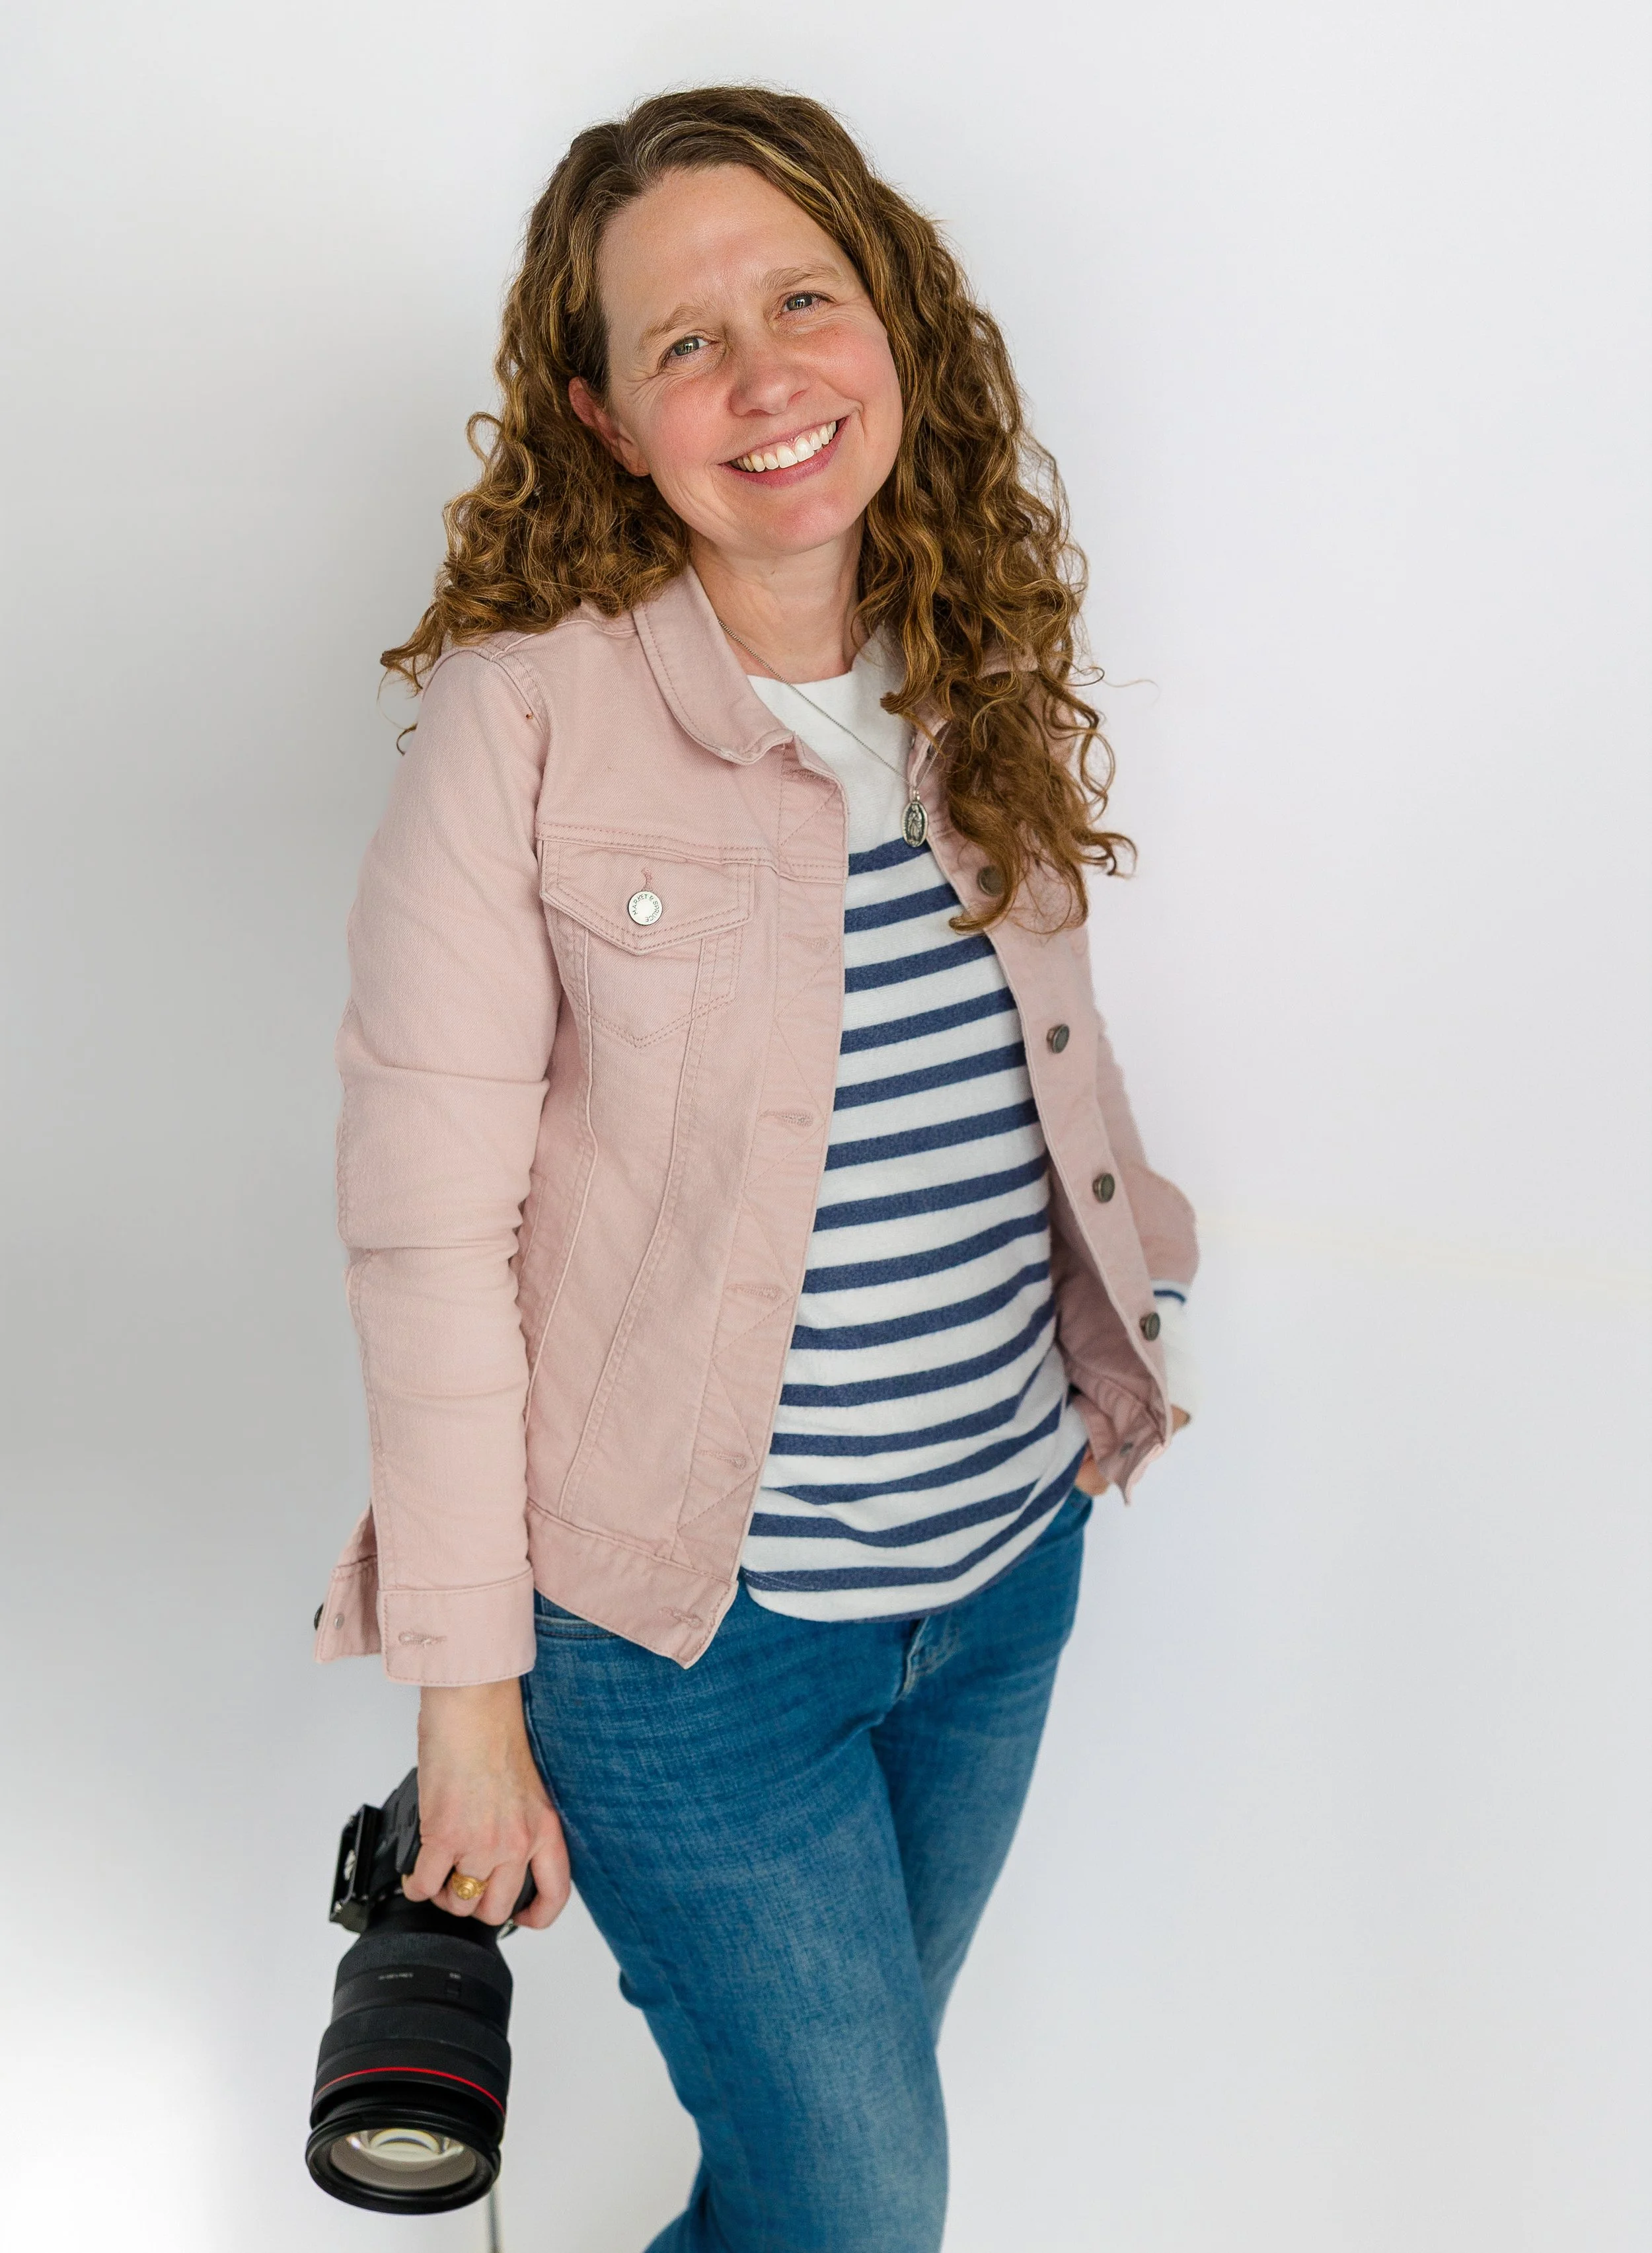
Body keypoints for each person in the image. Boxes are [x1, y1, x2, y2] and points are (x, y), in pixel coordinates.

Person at [314, 84, 1198, 2253]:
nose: (764, 375)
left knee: (811, 2189)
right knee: (860, 2209)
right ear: (605, 419)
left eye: (802, 296)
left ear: (887, 318)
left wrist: (1131, 1313)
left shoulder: (963, 642)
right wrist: (469, 1712)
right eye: (682, 341)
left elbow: (1036, 1063)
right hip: (686, 1649)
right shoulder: (522, 724)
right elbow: (431, 1241)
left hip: (1002, 1570)